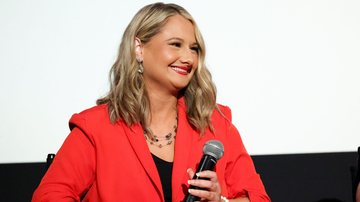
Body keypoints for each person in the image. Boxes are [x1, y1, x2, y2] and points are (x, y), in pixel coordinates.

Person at [32, 2, 270, 202]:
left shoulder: (216, 123)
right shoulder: (95, 127)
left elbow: (258, 197)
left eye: (194, 49)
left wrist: (220, 201)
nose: (188, 58)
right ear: (139, 48)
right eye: (175, 44)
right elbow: (49, 196)